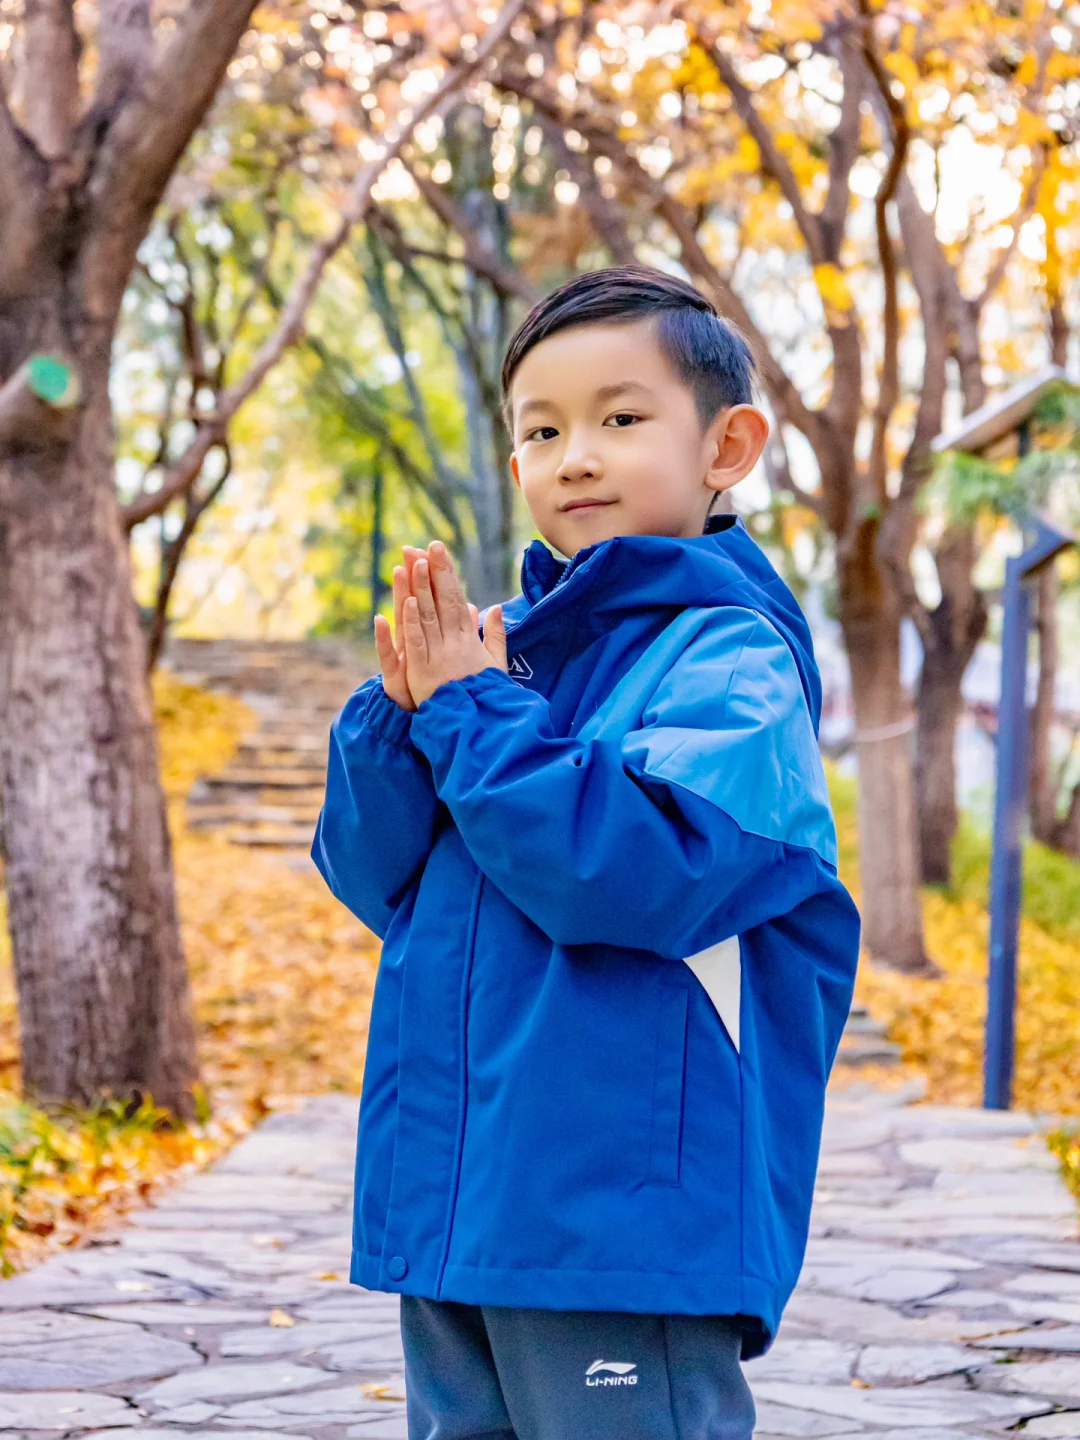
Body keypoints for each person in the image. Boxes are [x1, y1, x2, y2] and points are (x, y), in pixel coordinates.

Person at [312, 264, 861, 1440]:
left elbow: (633, 873)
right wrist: (403, 715)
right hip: (465, 1191)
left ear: (728, 447)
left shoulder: (732, 663)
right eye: (544, 430)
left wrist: (470, 714)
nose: (576, 456)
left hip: (614, 1213)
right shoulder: (515, 661)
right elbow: (380, 880)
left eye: (621, 418)